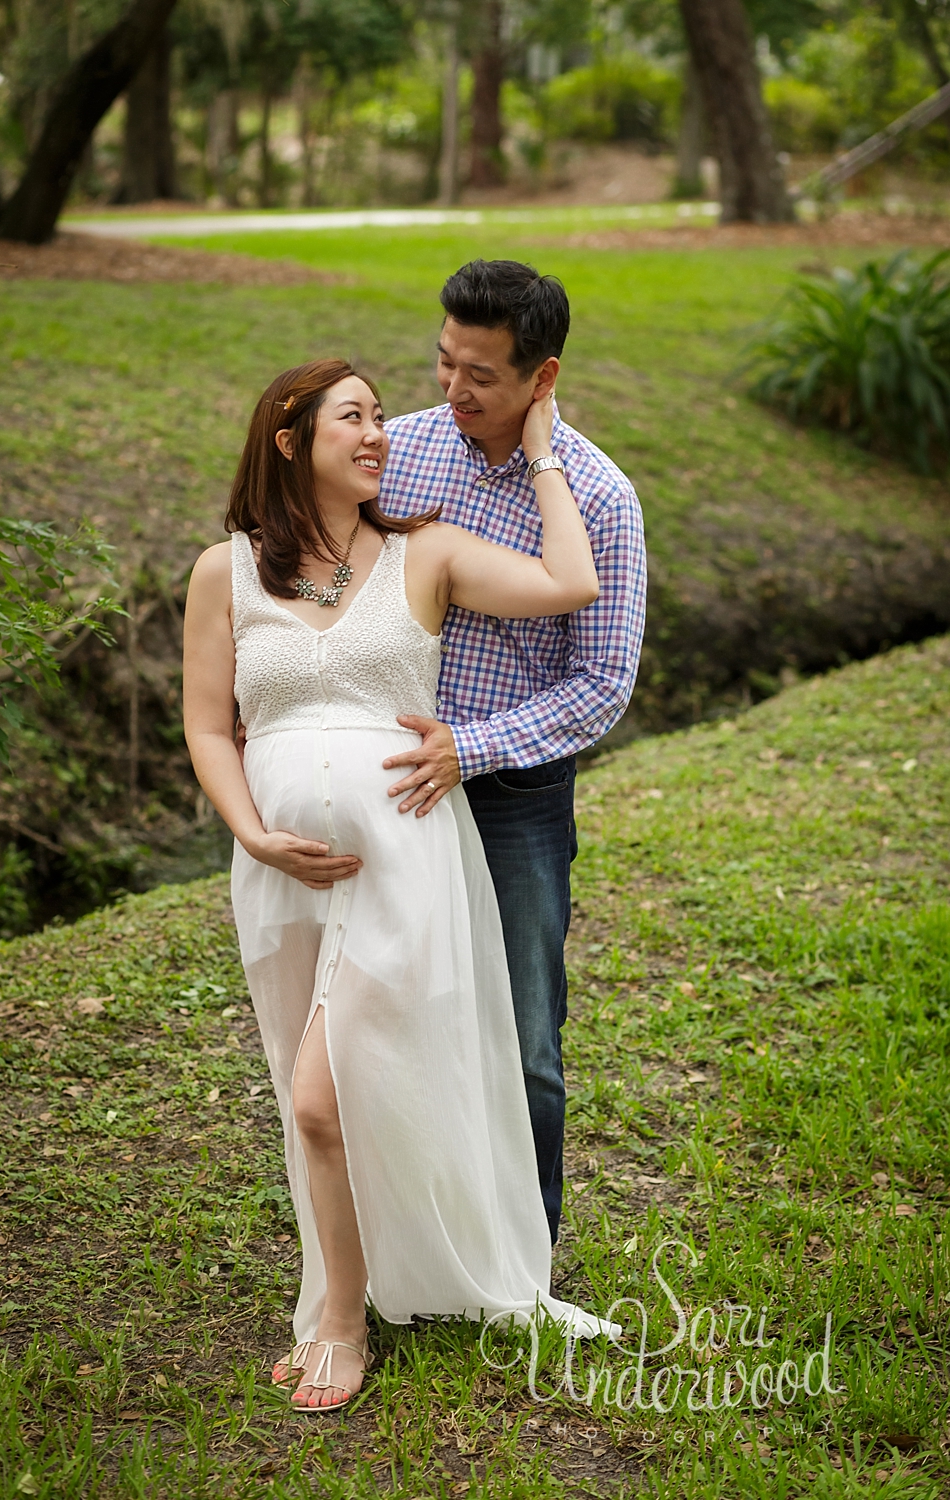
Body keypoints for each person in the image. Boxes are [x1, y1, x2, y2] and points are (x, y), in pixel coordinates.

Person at [182, 357, 618, 1417]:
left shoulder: (426, 554)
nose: (378, 433)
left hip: (406, 863)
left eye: (381, 416)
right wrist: (254, 834)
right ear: (289, 441)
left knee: (321, 1096)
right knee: (325, 1096)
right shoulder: (222, 571)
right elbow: (208, 726)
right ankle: (358, 1277)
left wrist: (548, 452)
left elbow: (571, 584)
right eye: (353, 417)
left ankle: (342, 1317)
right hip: (279, 874)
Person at [377, 260, 647, 1246]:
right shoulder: (395, 453)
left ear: (543, 378)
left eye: (481, 375)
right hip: (387, 783)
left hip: (516, 798)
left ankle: (523, 1257)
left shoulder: (601, 500)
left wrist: (470, 748)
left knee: (523, 1039)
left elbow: (602, 684)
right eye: (443, 362)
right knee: (391, 1021)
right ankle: (409, 1241)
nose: (453, 391)